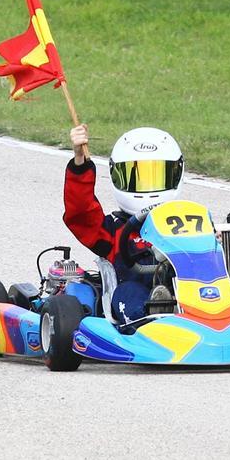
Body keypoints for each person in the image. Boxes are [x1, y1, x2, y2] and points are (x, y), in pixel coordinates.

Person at [64, 124, 185, 323]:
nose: (148, 188)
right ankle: (152, 317)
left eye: (157, 175)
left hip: (186, 290)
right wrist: (79, 163)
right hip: (134, 297)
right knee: (129, 292)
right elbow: (80, 213)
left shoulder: (184, 221)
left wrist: (212, 239)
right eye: (138, 178)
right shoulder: (114, 229)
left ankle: (228, 306)